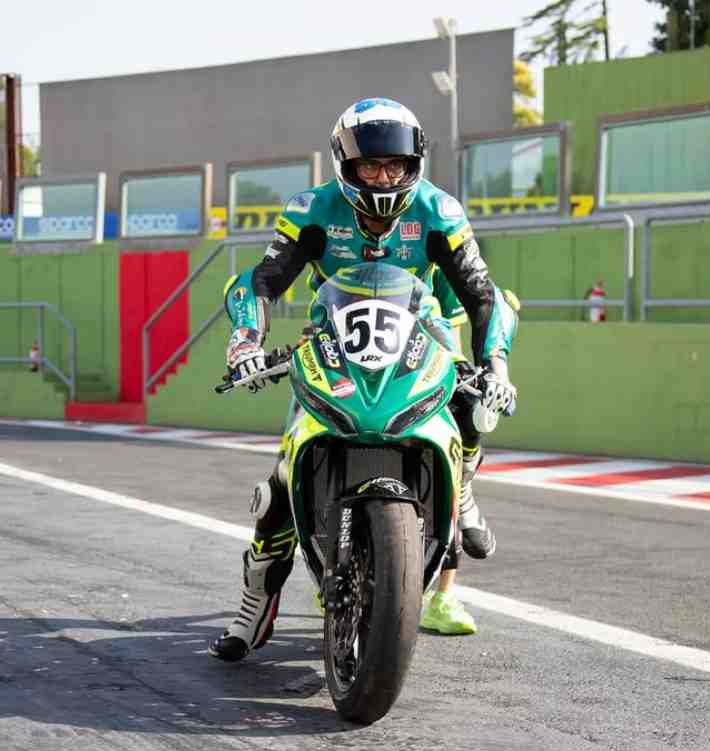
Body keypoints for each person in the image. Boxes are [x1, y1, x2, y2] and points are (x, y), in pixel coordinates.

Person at [209, 98, 519, 661]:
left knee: (472, 398)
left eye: (395, 165)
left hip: (420, 329)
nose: (383, 177)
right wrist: (246, 342)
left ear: (413, 163)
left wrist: (495, 364)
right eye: (370, 166)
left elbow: (482, 294)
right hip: (334, 336)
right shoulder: (311, 209)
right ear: (345, 166)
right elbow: (263, 280)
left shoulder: (440, 211)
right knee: (284, 471)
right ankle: (255, 602)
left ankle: (462, 475)